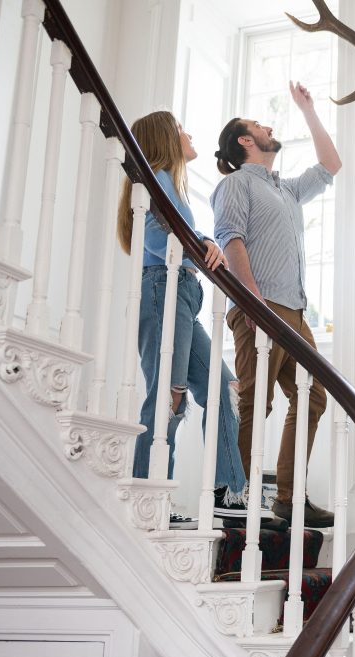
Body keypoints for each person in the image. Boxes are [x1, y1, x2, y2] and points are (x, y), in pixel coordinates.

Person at [211, 81, 342, 528]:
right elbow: (231, 240)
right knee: (255, 401)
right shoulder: (235, 184)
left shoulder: (286, 189)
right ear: (245, 141)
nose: (268, 127)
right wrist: (252, 303)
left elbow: (331, 164)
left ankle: (288, 498)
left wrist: (308, 110)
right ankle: (237, 498)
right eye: (259, 125)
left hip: (295, 312)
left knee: (313, 397)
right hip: (260, 306)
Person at [115, 111, 249, 527]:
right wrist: (201, 245)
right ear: (164, 138)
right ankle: (149, 498)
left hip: (183, 293)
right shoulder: (153, 180)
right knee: (168, 396)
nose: (188, 134)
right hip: (164, 288)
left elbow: (177, 236)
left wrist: (203, 240)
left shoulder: (170, 185)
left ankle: (227, 489)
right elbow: (159, 238)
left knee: (223, 386)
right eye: (180, 129)